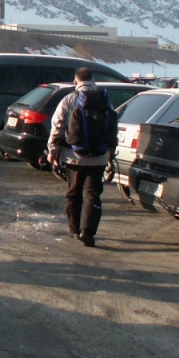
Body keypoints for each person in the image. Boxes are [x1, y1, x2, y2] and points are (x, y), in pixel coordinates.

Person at [47, 67, 113, 247]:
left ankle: (75, 229)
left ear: (75, 82)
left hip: (74, 156)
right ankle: (88, 231)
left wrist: (53, 151)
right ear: (93, 80)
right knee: (93, 194)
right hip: (99, 157)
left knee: (74, 193)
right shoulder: (105, 100)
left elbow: (57, 126)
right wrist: (109, 153)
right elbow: (111, 127)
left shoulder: (69, 99)